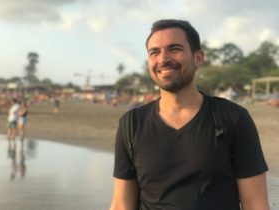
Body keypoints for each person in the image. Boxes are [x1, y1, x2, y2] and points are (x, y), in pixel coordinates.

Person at [110, 19, 269, 210]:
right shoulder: (132, 124)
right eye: (154, 52)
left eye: (174, 49)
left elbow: (256, 205)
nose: (163, 59)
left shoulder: (233, 119)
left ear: (198, 58)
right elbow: (121, 204)